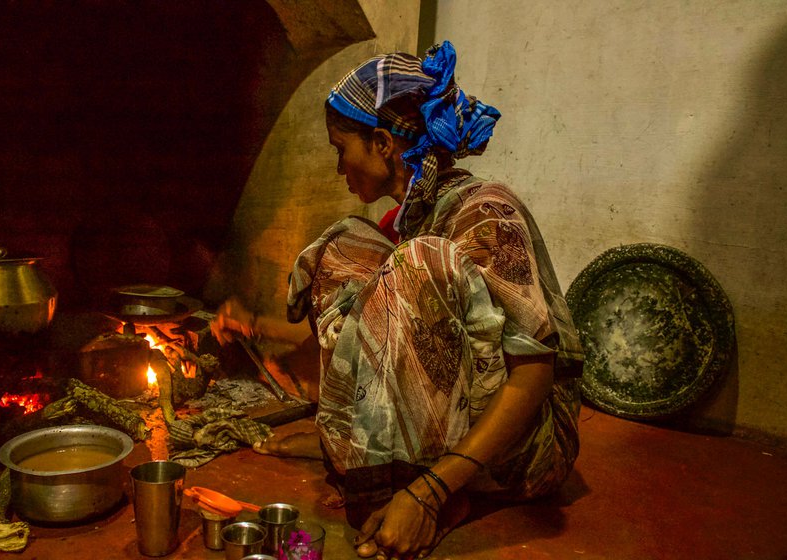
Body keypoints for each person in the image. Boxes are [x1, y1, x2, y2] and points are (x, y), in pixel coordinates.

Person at [212, 41, 584, 560]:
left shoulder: (487, 215)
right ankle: (374, 464)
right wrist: (254, 324)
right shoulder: (405, 221)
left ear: (383, 144)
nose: (340, 168)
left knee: (414, 261)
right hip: (465, 425)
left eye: (341, 149)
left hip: (529, 449)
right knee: (344, 249)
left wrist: (428, 491)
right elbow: (366, 324)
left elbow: (533, 376)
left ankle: (428, 488)